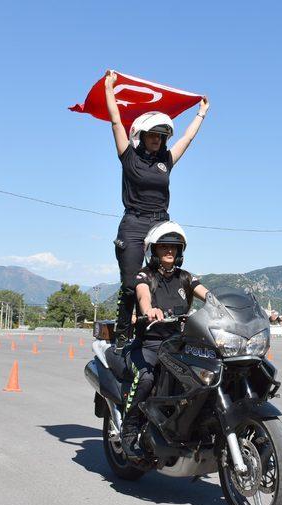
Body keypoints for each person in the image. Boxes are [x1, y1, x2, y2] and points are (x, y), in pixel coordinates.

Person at [104, 69, 210, 350]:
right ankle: (123, 333)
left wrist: (200, 114)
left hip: (160, 224)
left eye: (161, 137)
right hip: (134, 222)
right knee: (131, 283)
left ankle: (164, 326)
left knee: (166, 273)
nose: (157, 140)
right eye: (153, 135)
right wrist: (109, 88)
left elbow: (185, 141)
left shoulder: (166, 161)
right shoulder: (129, 157)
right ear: (142, 135)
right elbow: (116, 122)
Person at [120, 221, 209, 459]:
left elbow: (207, 295)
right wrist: (150, 310)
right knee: (147, 378)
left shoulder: (186, 278)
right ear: (154, 250)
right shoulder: (145, 275)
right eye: (164, 247)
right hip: (149, 344)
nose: (170, 251)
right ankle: (129, 430)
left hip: (178, 344)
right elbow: (143, 295)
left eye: (174, 247)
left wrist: (224, 306)